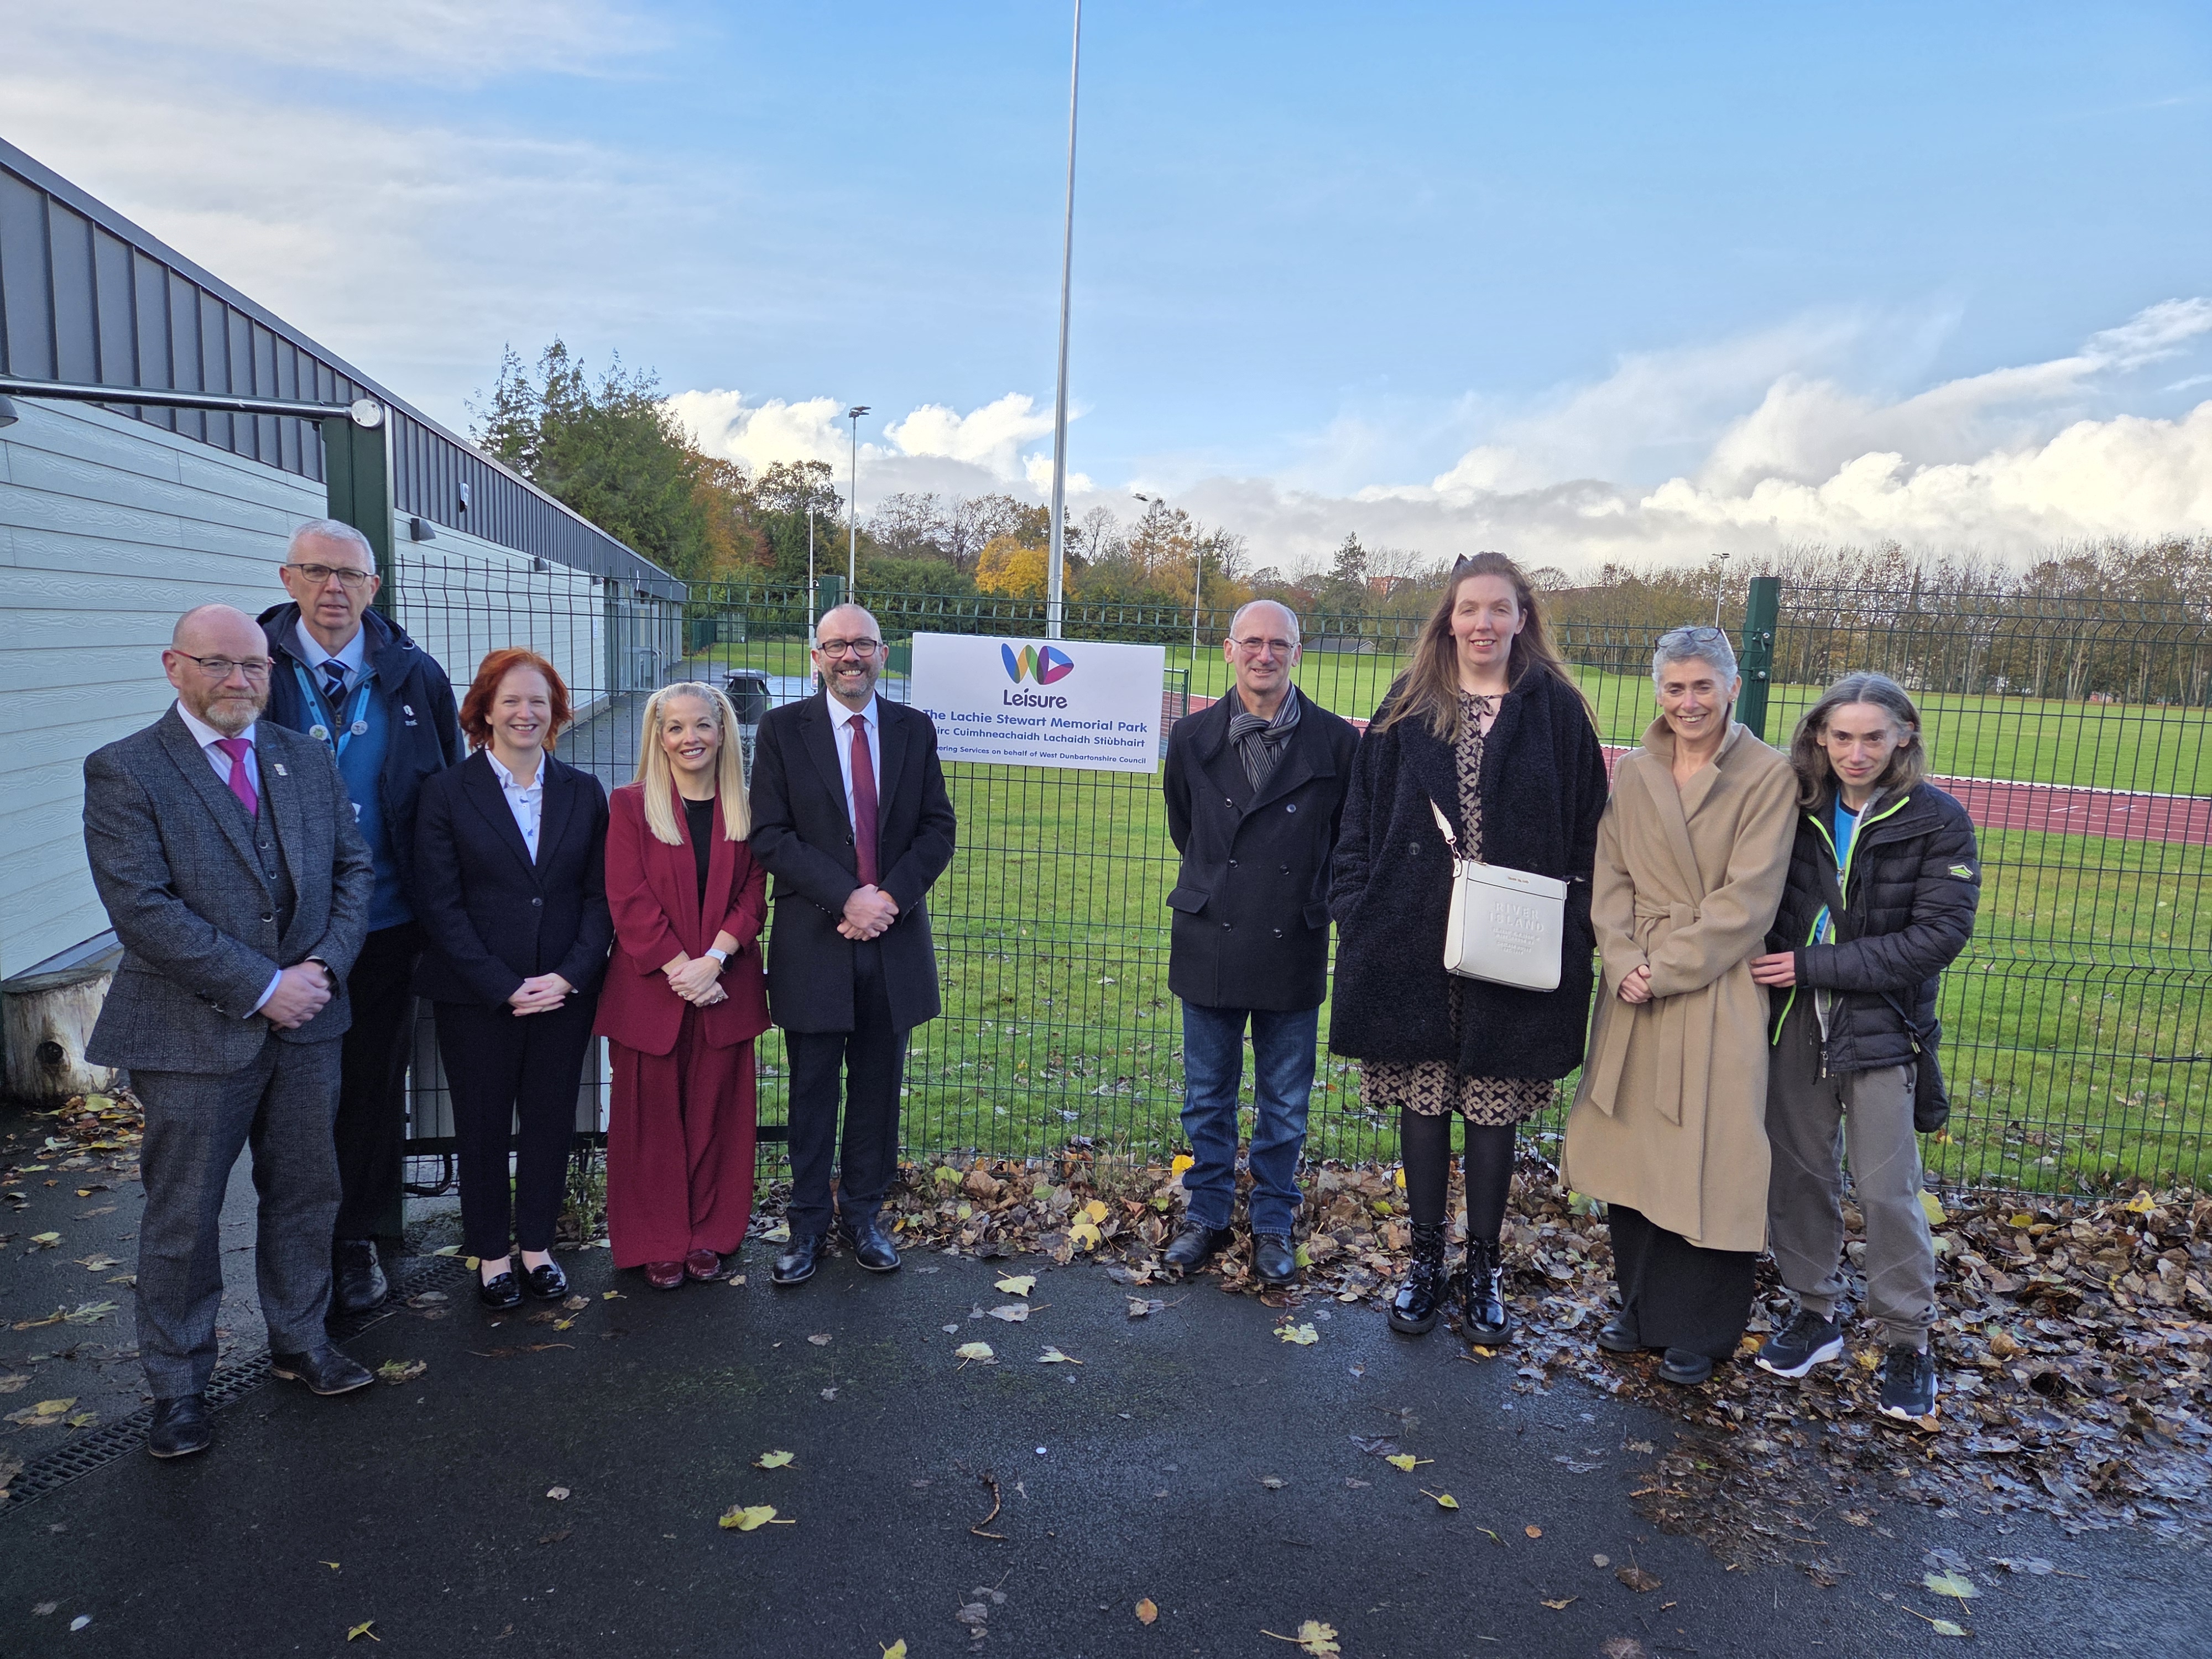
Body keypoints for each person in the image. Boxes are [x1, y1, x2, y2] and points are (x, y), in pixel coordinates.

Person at [83, 604, 378, 1459]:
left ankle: (301, 1340)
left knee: (307, 1191)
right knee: (186, 1215)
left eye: (254, 666)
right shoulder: (127, 771)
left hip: (312, 1023)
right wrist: (261, 987)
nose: (240, 681)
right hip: (190, 1034)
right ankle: (178, 1386)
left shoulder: (302, 759)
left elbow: (353, 870)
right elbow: (141, 908)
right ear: (174, 665)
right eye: (219, 664)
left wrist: (320, 967)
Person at [1331, 554, 1610, 1344]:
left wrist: (1575, 917)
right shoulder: (1409, 703)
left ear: (1523, 617)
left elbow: (1592, 827)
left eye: (1499, 609)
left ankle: (1483, 1269)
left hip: (1516, 941)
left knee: (1492, 1105)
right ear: (1447, 619)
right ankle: (1425, 1263)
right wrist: (1357, 908)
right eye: (1468, 609)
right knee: (1424, 1102)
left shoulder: (1555, 710)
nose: (1482, 623)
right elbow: (1359, 816)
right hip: (1410, 939)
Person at [1562, 624, 1798, 1384]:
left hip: (1715, 985)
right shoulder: (1635, 772)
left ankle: (1702, 1326)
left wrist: (1662, 968)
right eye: (1675, 688)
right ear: (1657, 691)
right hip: (1634, 985)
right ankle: (1638, 1307)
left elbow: (1747, 901)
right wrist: (1625, 959)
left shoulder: (1769, 776)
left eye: (1703, 687)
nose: (1689, 702)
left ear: (1732, 687)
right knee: (1634, 1147)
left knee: (1715, 1152)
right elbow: (1612, 875)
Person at [1749, 673, 1980, 1420]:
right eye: (1841, 736)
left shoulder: (1937, 821)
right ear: (1820, 736)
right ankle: (1813, 1312)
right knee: (1801, 1174)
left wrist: (1817, 963)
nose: (1856, 751)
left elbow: (1936, 937)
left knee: (1887, 1191)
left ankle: (1908, 1340)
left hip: (1884, 1033)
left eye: (1873, 737)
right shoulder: (1793, 806)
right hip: (1794, 1026)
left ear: (1904, 737)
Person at [258, 518, 462, 1315]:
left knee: (372, 1091)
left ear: (374, 587)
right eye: (316, 571)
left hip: (385, 927)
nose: (332, 588)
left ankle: (356, 1241)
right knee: (288, 1099)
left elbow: (443, 796)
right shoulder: (255, 668)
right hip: (281, 933)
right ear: (289, 579)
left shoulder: (414, 676)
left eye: (349, 575)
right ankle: (292, 1247)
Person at [749, 604, 956, 1286]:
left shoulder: (912, 729)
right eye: (835, 645)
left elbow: (936, 829)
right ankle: (806, 1225)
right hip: (815, 938)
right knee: (810, 1090)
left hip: (892, 941)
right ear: (817, 657)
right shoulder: (782, 730)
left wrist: (886, 900)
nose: (849, 657)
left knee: (876, 1088)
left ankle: (864, 1217)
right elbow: (772, 835)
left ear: (882, 654)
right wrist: (848, 899)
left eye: (861, 644)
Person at [1160, 600, 1359, 1288]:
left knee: (1284, 1102)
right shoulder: (1191, 737)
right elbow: (1187, 829)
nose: (1264, 655)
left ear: (1297, 652)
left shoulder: (1336, 743)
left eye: (1279, 644)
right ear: (1228, 649)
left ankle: (1274, 1222)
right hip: (1209, 934)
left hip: (1291, 940)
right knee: (1206, 1096)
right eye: (1252, 643)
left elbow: (1343, 843)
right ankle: (1208, 1216)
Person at [412, 650, 611, 1310]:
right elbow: (439, 905)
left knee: (551, 1121)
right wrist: (502, 985)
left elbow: (598, 898)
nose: (525, 713)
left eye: (539, 701)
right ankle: (492, 1255)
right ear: (485, 712)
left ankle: (537, 1248)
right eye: (511, 702)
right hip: (477, 998)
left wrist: (571, 975)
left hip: (562, 994)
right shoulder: (445, 794)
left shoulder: (584, 793)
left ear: (555, 712)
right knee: (482, 1124)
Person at [596, 683, 770, 1290]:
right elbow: (628, 899)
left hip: (725, 988)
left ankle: (709, 1236)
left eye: (702, 725)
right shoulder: (629, 805)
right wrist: (681, 968)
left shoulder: (746, 809)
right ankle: (657, 1240)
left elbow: (753, 896)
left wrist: (716, 961)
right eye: (675, 727)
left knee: (717, 1118)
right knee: (649, 1127)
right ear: (658, 736)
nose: (689, 738)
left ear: (723, 732)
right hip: (652, 992)